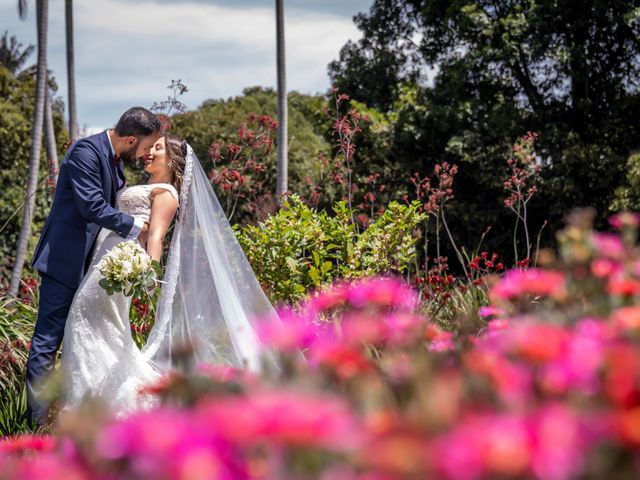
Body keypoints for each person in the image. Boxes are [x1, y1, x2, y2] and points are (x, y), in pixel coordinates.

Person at [59, 135, 280, 417]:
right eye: (150, 147)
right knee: (99, 326)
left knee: (86, 317)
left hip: (121, 265)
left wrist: (145, 274)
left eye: (157, 148)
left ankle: (99, 406)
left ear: (173, 160)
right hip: (106, 259)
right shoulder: (147, 186)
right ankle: (103, 401)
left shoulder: (166, 193)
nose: (149, 152)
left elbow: (156, 236)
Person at [26, 107, 161, 426]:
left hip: (90, 266)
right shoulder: (85, 151)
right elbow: (91, 206)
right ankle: (36, 423)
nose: (143, 154)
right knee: (47, 342)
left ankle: (64, 415)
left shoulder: (114, 160)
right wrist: (134, 226)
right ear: (131, 139)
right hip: (64, 260)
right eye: (144, 147)